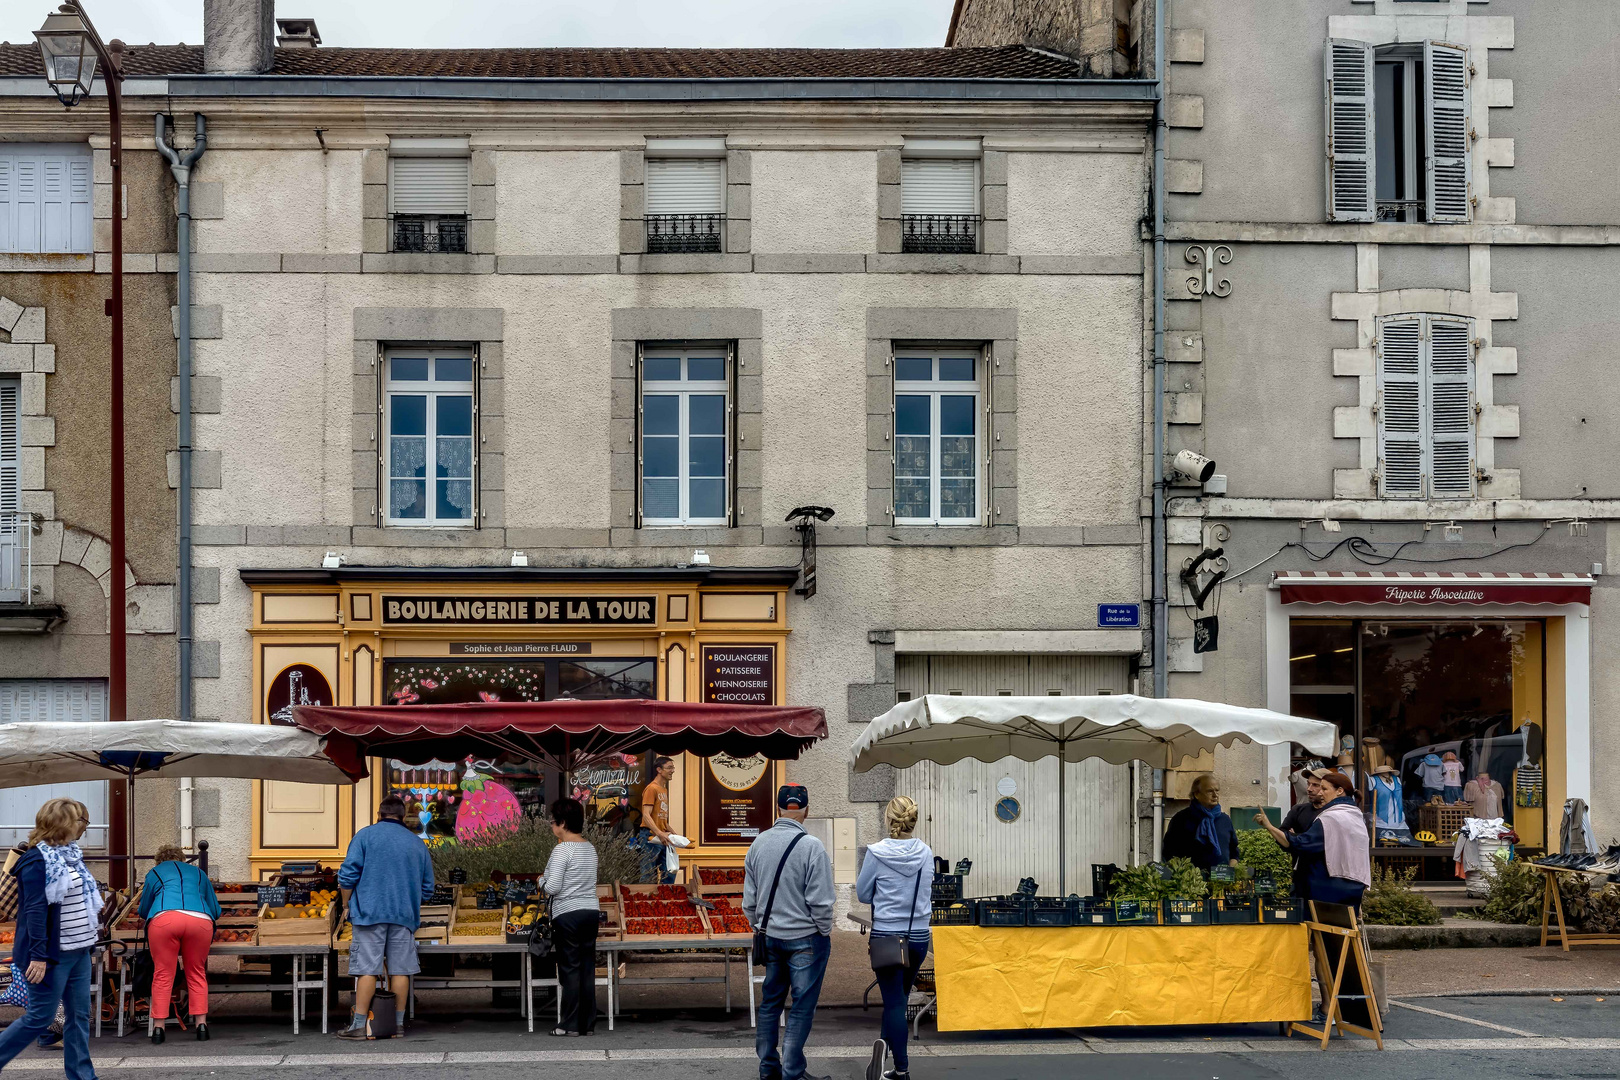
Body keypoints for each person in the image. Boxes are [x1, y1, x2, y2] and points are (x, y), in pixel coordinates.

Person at [0, 798, 102, 1080]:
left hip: (79, 950)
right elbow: (33, 910)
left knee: (79, 1017)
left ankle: (82, 1076)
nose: (84, 827)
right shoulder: (36, 859)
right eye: (80, 821)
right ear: (64, 823)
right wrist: (38, 956)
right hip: (51, 956)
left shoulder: (71, 855)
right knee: (40, 1018)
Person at [744, 784, 835, 1080]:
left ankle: (768, 1068)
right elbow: (820, 901)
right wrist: (823, 931)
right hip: (806, 939)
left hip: (770, 937)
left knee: (770, 1002)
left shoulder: (758, 844)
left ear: (777, 810)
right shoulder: (812, 847)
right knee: (801, 1007)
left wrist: (760, 926)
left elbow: (750, 902)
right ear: (806, 810)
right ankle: (793, 1071)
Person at [336, 794, 436, 1040]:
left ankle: (359, 1025)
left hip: (369, 914)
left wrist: (347, 904)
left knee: (368, 970)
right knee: (401, 971)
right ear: (404, 817)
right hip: (404, 915)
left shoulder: (364, 836)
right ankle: (397, 1025)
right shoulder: (417, 844)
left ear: (379, 815)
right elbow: (428, 890)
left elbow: (347, 876)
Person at [856, 796, 933, 1080]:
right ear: (913, 820)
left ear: (888, 820)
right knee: (898, 999)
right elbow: (927, 891)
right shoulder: (926, 853)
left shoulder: (876, 853)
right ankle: (884, 1051)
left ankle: (902, 1070)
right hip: (918, 937)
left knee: (895, 1004)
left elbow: (864, 894)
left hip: (887, 937)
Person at [138, 844, 221, 1043]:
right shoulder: (199, 873)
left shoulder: (154, 873)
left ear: (158, 860)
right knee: (196, 972)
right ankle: (201, 1026)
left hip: (165, 920)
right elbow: (216, 910)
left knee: (163, 974)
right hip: (199, 920)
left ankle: (158, 1029)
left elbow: (143, 909)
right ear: (182, 859)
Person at [1256, 770, 1371, 910]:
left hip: (1327, 887)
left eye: (1323, 788)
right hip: (1352, 885)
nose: (1318, 792)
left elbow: (1301, 843)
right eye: (1309, 784)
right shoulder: (1355, 814)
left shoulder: (1331, 818)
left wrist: (1272, 828)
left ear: (1339, 791)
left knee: (1317, 928)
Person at [543, 797, 599, 1038]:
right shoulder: (590, 847)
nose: (551, 826)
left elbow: (553, 887)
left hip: (567, 913)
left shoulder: (562, 849)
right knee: (587, 969)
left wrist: (540, 881)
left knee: (570, 970)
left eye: (553, 822)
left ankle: (569, 1025)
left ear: (563, 823)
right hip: (590, 912)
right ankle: (587, 1023)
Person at [1162, 774, 1238, 871]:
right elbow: (1169, 852)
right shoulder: (1181, 819)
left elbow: (1234, 851)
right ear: (1196, 794)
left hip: (1221, 881)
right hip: (1191, 882)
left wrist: (1230, 869)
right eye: (1210, 791)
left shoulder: (1225, 820)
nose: (1215, 795)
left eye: (1217, 791)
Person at [1280, 771, 1329, 894]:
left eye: (1315, 785)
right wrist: (1296, 840)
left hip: (1327, 877)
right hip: (1301, 875)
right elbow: (1281, 835)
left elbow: (1322, 842)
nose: (1309, 789)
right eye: (1308, 784)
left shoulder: (1334, 814)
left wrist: (1296, 837)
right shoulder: (1299, 810)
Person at [640, 756, 677, 885]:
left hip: (662, 837)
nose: (672, 770)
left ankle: (664, 900)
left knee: (670, 872)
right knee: (648, 876)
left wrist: (675, 835)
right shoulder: (652, 789)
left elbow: (662, 819)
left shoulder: (664, 789)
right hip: (650, 837)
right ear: (659, 770)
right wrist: (659, 833)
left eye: (673, 767)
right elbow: (646, 815)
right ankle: (646, 903)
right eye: (669, 767)